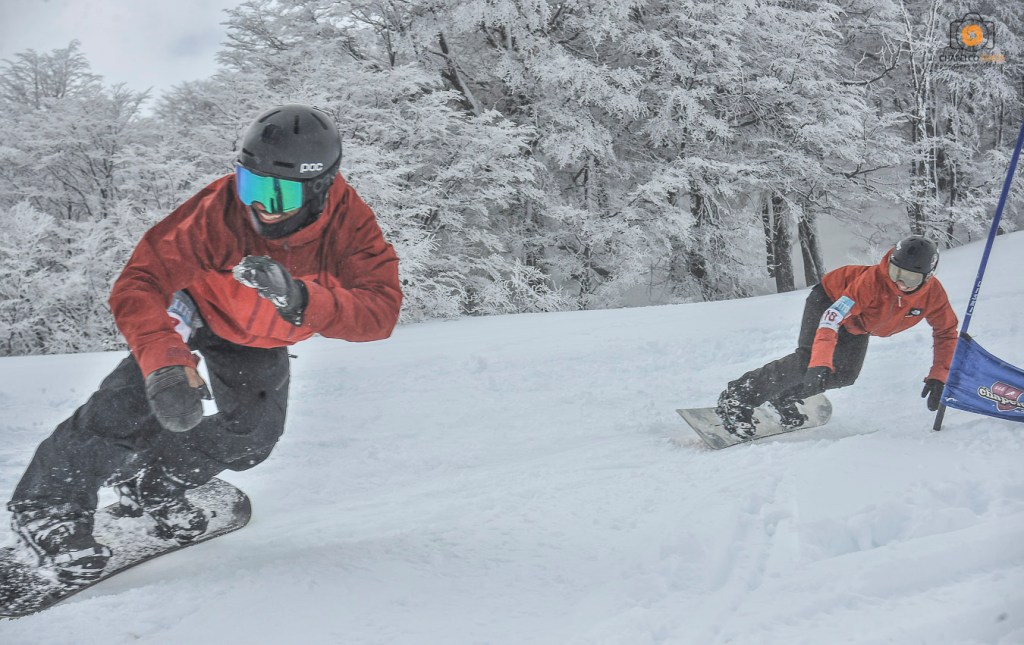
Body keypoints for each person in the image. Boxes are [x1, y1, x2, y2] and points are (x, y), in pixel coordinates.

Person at [7, 104, 402, 583]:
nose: (259, 205)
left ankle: (155, 483)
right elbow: (140, 281)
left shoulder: (349, 227)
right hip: (195, 312)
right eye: (250, 184)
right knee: (135, 403)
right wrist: (166, 365)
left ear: (320, 188)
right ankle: (50, 506)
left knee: (252, 437)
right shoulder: (218, 211)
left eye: (277, 193)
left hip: (261, 335)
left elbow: (380, 311)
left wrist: (302, 299)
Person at [716, 235, 958, 437]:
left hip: (858, 323)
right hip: (829, 300)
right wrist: (820, 361)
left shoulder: (933, 296)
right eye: (895, 272)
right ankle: (738, 396)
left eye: (911, 278)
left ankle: (783, 397)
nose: (900, 282)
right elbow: (831, 318)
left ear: (928, 277)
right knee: (809, 361)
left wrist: (939, 376)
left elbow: (946, 332)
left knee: (845, 374)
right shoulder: (872, 282)